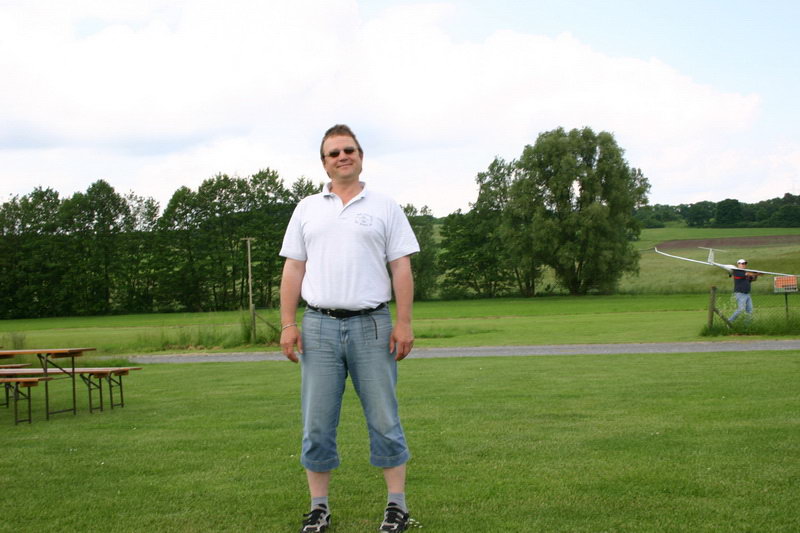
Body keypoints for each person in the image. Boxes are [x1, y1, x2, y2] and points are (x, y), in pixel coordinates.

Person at [279, 124, 419, 533]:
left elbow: (401, 266)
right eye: (334, 153)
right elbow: (293, 268)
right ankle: (318, 509)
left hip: (373, 326)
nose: (342, 157)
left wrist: (404, 322)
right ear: (324, 163)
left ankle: (397, 507)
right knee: (317, 424)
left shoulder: (385, 206)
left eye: (349, 150)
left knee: (384, 419)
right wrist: (288, 323)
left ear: (360, 156)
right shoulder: (307, 208)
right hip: (318, 328)